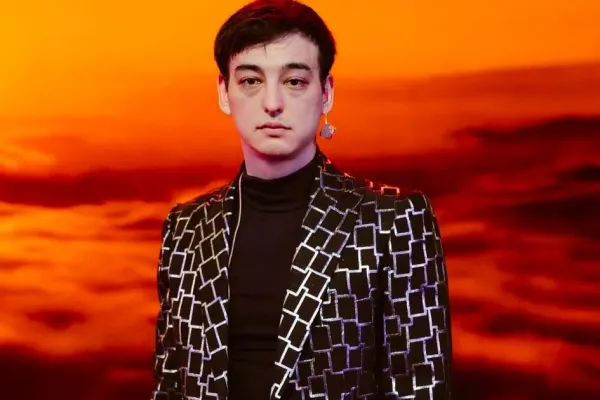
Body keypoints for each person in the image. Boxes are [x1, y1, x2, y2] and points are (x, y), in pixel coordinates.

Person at [151, 0, 453, 399]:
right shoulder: (186, 229)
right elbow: (170, 385)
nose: (272, 103)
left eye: (294, 81)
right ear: (224, 93)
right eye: (251, 81)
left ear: (326, 93)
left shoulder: (393, 221)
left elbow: (421, 385)